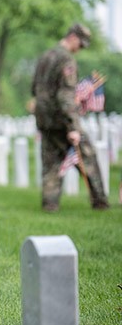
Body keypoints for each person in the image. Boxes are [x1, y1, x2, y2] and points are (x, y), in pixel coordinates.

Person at [31, 23, 108, 212]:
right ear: (73, 37)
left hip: (44, 119)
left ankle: (50, 205)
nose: (79, 49)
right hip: (62, 120)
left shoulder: (45, 57)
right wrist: (73, 126)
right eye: (80, 45)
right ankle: (100, 201)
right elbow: (65, 95)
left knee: (50, 164)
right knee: (87, 157)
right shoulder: (66, 60)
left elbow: (34, 88)